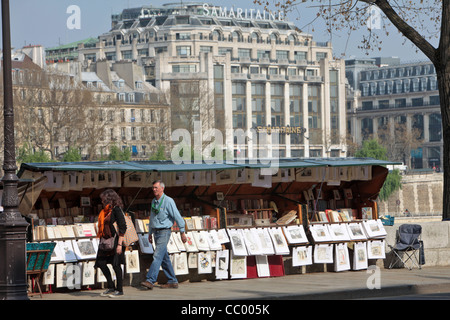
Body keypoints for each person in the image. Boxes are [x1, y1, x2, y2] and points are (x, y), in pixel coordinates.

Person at [141, 180, 187, 290]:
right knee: (164, 257)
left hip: (164, 231)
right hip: (156, 231)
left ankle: (150, 280)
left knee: (157, 256)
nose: (154, 189)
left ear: (162, 188)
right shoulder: (153, 201)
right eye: (153, 188)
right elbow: (152, 218)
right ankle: (172, 280)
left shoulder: (168, 201)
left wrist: (182, 232)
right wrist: (150, 233)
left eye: (156, 187)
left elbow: (177, 216)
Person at [95, 189, 127, 297]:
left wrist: (119, 245)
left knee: (116, 265)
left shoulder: (116, 210)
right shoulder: (105, 211)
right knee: (101, 263)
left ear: (109, 198)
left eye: (103, 199)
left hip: (115, 241)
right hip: (105, 240)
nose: (102, 201)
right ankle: (111, 286)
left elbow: (123, 227)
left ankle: (119, 289)